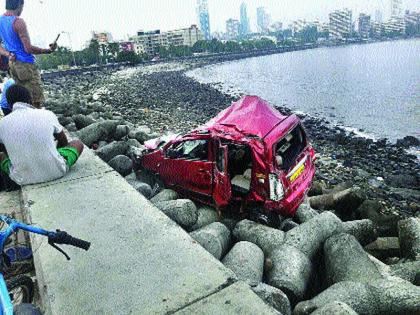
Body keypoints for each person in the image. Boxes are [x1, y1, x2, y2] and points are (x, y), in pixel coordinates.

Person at [0, 85, 84, 186]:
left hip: (22, 179)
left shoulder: (3, 123)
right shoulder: (47, 114)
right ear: (30, 99)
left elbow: (4, 150)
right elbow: (63, 141)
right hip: (56, 172)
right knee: (77, 143)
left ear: (9, 104)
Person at [0, 0, 57, 108]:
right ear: (19, 5)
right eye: (22, 6)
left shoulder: (0, 21)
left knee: (23, 97)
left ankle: (26, 120)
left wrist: (8, 54)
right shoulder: (18, 22)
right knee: (35, 98)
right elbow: (28, 49)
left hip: (13, 64)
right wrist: (48, 50)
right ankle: (36, 121)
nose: (22, 9)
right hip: (26, 64)